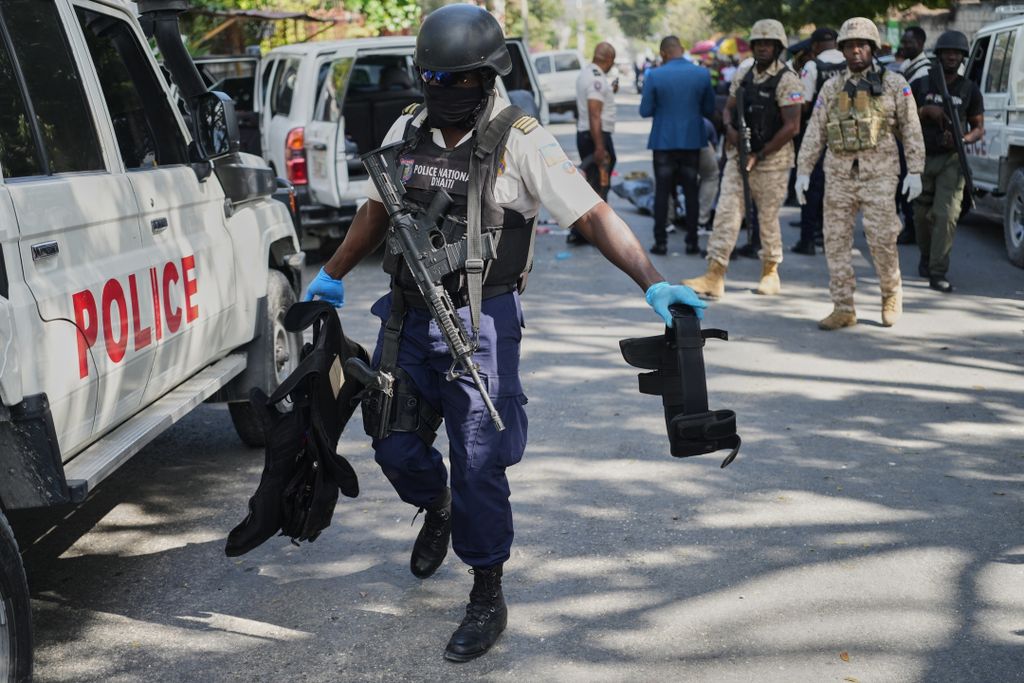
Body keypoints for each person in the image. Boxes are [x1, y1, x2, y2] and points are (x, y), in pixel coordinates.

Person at [302, 4, 707, 663]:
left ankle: (487, 588)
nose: (439, 92)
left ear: (484, 76)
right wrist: (333, 273)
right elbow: (377, 210)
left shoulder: (521, 138)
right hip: (406, 317)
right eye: (430, 78)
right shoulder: (410, 124)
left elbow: (595, 214)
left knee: (481, 459)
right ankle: (439, 505)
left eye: (453, 80)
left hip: (481, 321)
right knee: (394, 445)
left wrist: (651, 282)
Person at [796, 17, 925, 330]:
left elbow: (910, 128)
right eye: (850, 46)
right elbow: (815, 131)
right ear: (842, 49)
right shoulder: (832, 86)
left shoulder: (894, 84)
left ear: (872, 48)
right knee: (835, 241)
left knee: (882, 239)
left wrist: (916, 170)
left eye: (861, 45)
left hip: (880, 174)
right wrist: (803, 170)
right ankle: (843, 306)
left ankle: (891, 294)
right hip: (838, 174)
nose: (855, 51)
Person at [683, 19, 803, 298]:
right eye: (758, 43)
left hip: (772, 162)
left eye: (768, 44)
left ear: (777, 47)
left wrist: (759, 155)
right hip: (740, 157)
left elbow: (791, 127)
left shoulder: (788, 79)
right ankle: (714, 274)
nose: (762, 48)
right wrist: (730, 128)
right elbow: (728, 107)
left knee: (768, 219)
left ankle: (770, 271)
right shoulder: (745, 73)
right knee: (726, 213)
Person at [911, 30, 984, 293]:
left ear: (963, 56)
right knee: (921, 214)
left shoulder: (969, 89)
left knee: (946, 215)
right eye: (947, 52)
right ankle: (926, 256)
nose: (952, 56)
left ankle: (938, 271)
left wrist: (962, 140)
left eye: (957, 52)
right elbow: (901, 117)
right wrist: (925, 111)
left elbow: (978, 127)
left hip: (952, 161)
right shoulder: (922, 84)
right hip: (921, 157)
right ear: (939, 55)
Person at [640, 35, 715, 255]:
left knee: (662, 192)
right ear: (681, 49)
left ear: (663, 53)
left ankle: (660, 242)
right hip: (692, 141)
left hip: (663, 142)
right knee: (691, 190)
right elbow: (709, 109)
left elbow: (645, 110)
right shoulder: (701, 74)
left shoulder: (654, 75)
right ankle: (692, 242)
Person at [792, 26, 845, 256]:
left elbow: (803, 105)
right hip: (847, 136)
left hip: (817, 136)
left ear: (814, 46)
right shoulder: (849, 63)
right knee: (839, 189)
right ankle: (830, 237)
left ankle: (808, 240)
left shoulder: (813, 66)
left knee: (810, 188)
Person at [568, 41, 618, 245]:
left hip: (589, 134)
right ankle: (587, 232)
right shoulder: (596, 79)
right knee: (597, 186)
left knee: (592, 183)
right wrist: (599, 146)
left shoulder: (588, 73)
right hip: (595, 135)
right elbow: (594, 113)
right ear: (608, 59)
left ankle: (588, 231)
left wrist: (610, 89)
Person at [896, 26, 930, 246]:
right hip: (901, 135)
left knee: (910, 183)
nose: (904, 46)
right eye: (904, 42)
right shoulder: (907, 66)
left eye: (909, 43)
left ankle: (912, 228)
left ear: (920, 44)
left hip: (914, 135)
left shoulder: (924, 71)